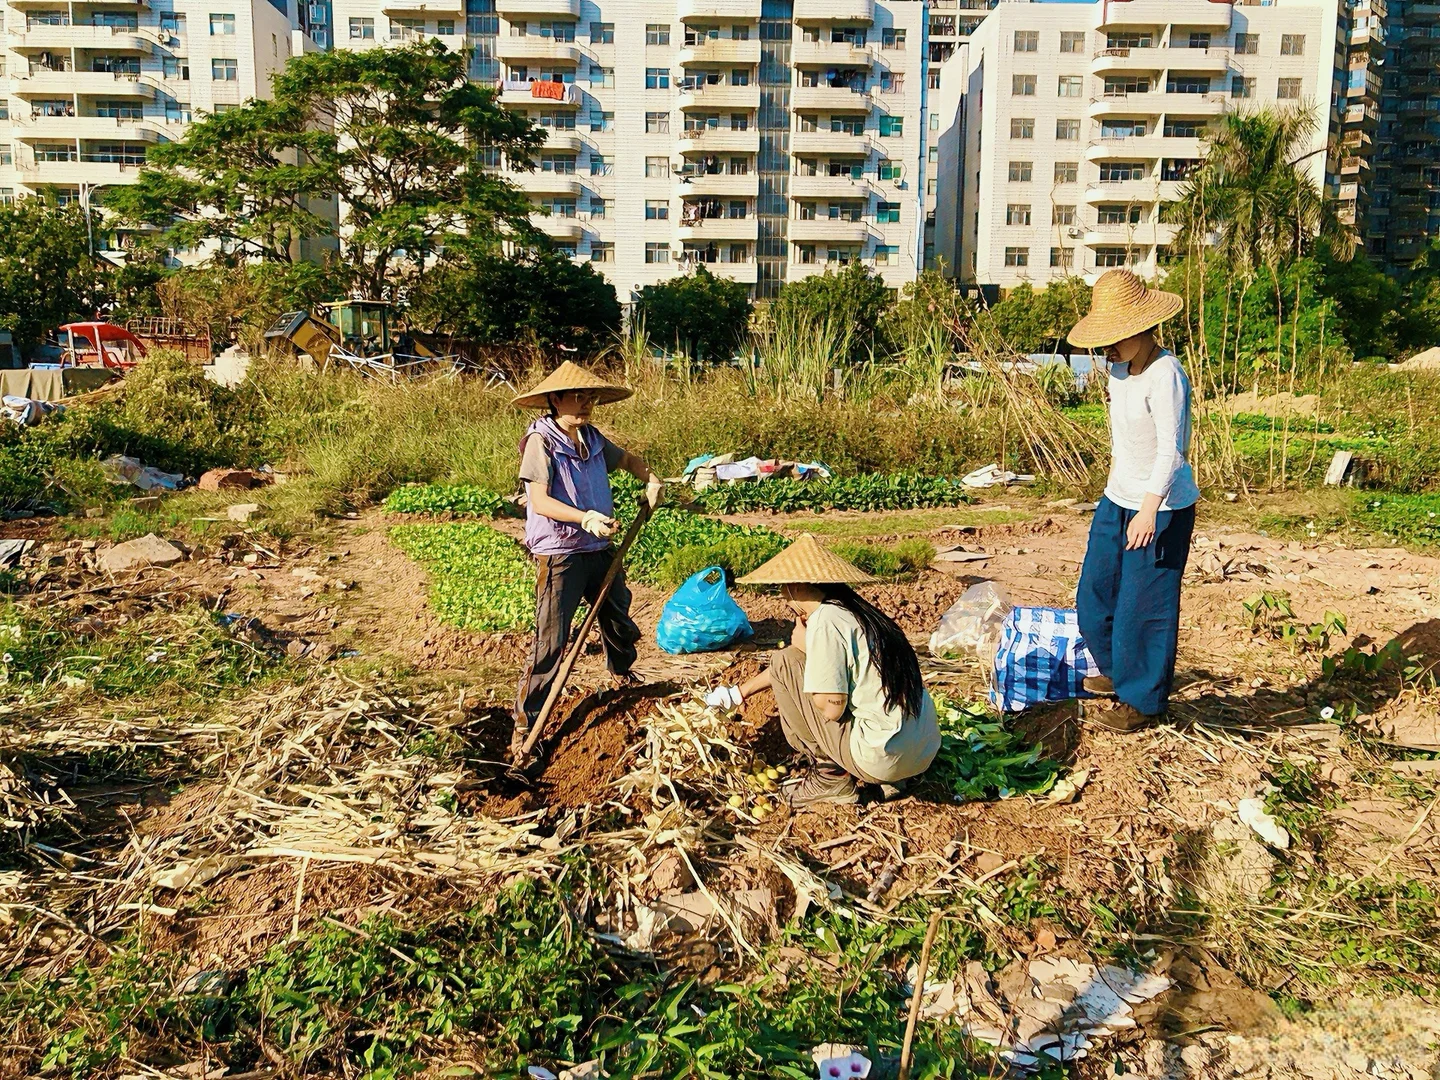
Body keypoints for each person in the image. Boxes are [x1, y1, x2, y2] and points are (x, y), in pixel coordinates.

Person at [705, 535, 941, 807]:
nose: (782, 593)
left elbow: (831, 708)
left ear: (796, 585)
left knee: (785, 658)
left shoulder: (825, 621)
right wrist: (739, 693)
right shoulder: (859, 613)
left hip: (881, 758)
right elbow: (798, 669)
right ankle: (891, 778)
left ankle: (831, 776)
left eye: (782, 586)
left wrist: (811, 650)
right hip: (921, 752)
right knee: (789, 659)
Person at [1067, 269, 1199, 732]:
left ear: (1145, 328)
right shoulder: (1119, 371)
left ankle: (1143, 700)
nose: (1110, 348)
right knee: (1095, 594)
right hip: (1117, 497)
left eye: (1118, 338)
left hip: (1160, 508)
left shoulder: (1167, 375)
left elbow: (1171, 449)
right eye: (1105, 341)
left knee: (1143, 606)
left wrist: (1148, 507)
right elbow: (1124, 442)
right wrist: (1118, 496)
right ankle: (1118, 671)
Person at [511, 361, 663, 755]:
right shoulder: (540, 442)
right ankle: (526, 727)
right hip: (561, 553)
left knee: (618, 617)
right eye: (577, 397)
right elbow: (539, 500)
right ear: (554, 399)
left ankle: (620, 674)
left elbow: (629, 461)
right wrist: (585, 517)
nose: (586, 403)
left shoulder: (592, 438)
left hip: (598, 548)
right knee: (552, 641)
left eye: (590, 396)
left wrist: (651, 480)